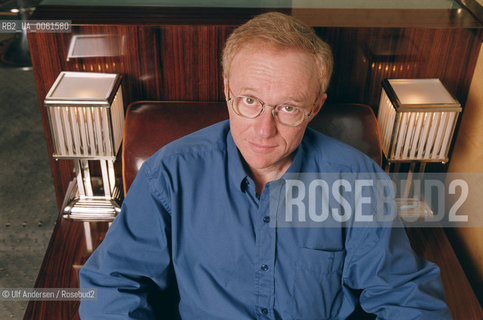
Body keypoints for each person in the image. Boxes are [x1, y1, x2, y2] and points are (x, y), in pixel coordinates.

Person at [79, 12, 451, 319]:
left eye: (288, 108)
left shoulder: (359, 182)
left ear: (315, 108)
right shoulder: (170, 174)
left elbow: (405, 296)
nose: (263, 129)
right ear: (227, 91)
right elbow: (110, 284)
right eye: (249, 101)